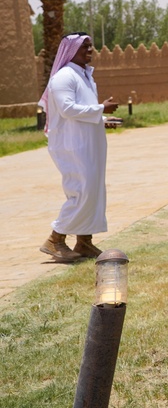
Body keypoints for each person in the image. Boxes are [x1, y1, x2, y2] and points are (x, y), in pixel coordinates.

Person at [38, 33, 119, 262]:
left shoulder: (85, 76)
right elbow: (67, 110)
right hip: (71, 145)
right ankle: (55, 240)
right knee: (80, 191)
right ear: (71, 50)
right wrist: (101, 109)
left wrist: (102, 119)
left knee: (92, 191)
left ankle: (84, 242)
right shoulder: (64, 77)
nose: (90, 50)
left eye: (91, 46)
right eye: (84, 46)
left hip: (87, 144)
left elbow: (84, 111)